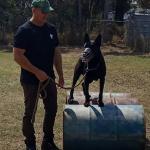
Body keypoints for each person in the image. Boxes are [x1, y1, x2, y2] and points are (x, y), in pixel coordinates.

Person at [13, 0, 64, 149]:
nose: (46, 15)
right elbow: (18, 56)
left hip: (49, 79)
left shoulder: (51, 29)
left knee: (52, 109)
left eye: (48, 11)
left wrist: (60, 75)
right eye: (43, 11)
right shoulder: (24, 31)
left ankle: (47, 141)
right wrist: (37, 72)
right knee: (30, 113)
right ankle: (30, 144)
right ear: (34, 10)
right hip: (30, 80)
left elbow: (56, 53)